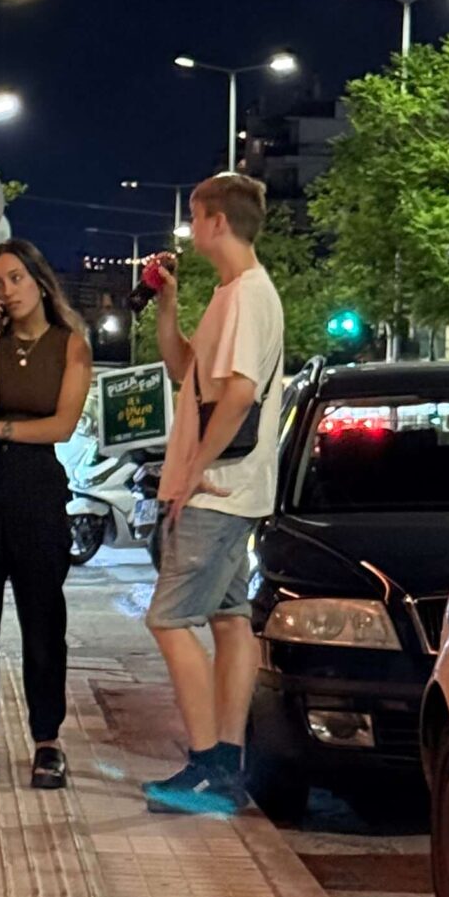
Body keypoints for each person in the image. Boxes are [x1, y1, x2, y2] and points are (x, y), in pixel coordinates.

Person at [142, 172, 286, 816]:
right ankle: (226, 764)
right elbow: (186, 370)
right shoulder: (232, 293)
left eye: (196, 218)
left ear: (217, 222)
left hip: (218, 490)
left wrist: (194, 471)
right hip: (231, 490)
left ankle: (207, 765)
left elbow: (239, 394)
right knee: (230, 622)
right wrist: (168, 304)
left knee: (169, 620)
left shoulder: (249, 295)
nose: (191, 230)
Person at [0, 239, 93, 791]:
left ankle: (47, 739)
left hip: (37, 489)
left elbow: (62, 426)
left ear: (39, 279)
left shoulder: (71, 344)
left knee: (44, 621)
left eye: (16, 278)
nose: (7, 290)